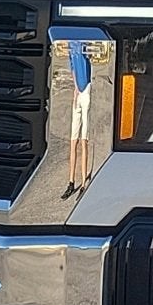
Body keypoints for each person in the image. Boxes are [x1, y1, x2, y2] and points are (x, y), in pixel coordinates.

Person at [64, 40, 92, 198]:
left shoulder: (84, 44)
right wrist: (75, 89)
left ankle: (83, 183)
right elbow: (73, 68)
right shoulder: (71, 46)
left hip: (87, 90)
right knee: (73, 141)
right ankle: (71, 181)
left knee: (84, 140)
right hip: (79, 92)